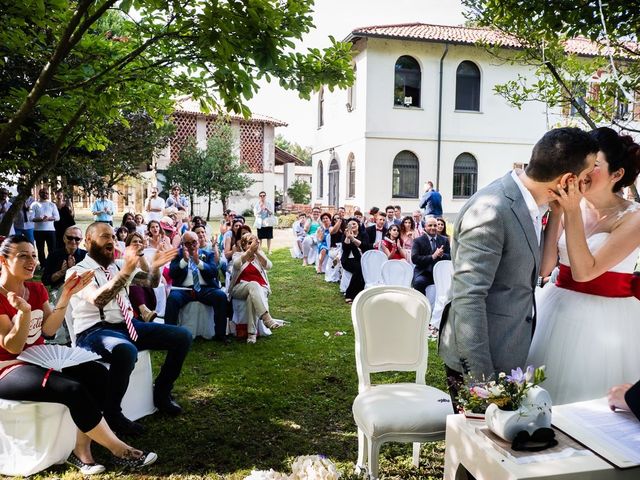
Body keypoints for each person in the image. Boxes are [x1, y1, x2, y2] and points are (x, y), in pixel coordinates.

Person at [439, 128, 599, 401]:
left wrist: (560, 211)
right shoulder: (492, 211)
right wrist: (483, 383)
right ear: (568, 179)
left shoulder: (534, 205)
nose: (587, 186)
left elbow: (541, 270)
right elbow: (468, 299)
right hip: (482, 362)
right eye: (585, 178)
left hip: (508, 350)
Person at [0, 235, 156, 473]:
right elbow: (12, 347)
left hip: (39, 357)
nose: (32, 261)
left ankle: (81, 450)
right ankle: (120, 450)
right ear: (3, 260)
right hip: (8, 368)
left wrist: (66, 295)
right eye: (23, 255)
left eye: (33, 255)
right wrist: (22, 315)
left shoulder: (36, 287)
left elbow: (49, 330)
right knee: (71, 389)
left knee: (98, 375)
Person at [527, 127, 640, 405]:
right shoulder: (571, 204)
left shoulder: (633, 218)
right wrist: (557, 212)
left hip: (608, 318)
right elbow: (545, 268)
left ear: (617, 174)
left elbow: (585, 271)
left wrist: (572, 210)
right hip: (558, 305)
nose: (585, 173)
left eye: (595, 166)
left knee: (590, 399)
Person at [67, 222, 189, 435]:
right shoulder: (77, 272)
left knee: (182, 336)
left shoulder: (117, 265)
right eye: (105, 236)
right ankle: (112, 414)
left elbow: (150, 282)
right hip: (94, 332)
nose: (111, 241)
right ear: (88, 242)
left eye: (113, 237)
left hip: (127, 326)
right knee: (125, 350)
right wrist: (125, 272)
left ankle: (161, 393)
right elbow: (98, 299)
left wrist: (156, 266)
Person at [165, 231, 229, 344]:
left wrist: (198, 262)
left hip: (205, 289)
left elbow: (213, 272)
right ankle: (169, 335)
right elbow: (172, 273)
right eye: (187, 243)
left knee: (220, 296)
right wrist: (184, 261)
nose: (191, 246)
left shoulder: (207, 254)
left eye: (194, 242)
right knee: (172, 299)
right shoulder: (177, 255)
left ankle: (220, 334)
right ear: (183, 244)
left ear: (198, 242)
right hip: (184, 289)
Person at [228, 233, 282, 344]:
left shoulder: (259, 255)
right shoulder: (238, 255)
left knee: (251, 295)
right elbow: (236, 265)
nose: (252, 245)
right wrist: (248, 252)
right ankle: (266, 318)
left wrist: (257, 252)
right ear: (243, 246)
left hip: (260, 288)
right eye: (249, 243)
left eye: (254, 242)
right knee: (253, 284)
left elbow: (269, 266)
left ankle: (251, 334)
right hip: (239, 288)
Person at [411, 217, 450, 297]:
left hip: (441, 273)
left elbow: (450, 257)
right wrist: (433, 256)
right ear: (425, 227)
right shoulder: (418, 241)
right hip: (424, 272)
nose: (433, 227)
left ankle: (444, 308)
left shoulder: (444, 240)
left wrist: (442, 255)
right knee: (418, 283)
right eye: (430, 225)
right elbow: (414, 259)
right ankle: (423, 306)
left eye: (435, 225)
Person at [42, 225, 87, 293]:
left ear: (80, 240)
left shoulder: (86, 256)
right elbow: (45, 280)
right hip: (58, 289)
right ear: (64, 238)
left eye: (77, 239)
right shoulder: (54, 255)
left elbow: (89, 279)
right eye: (70, 238)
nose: (73, 241)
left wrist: (73, 269)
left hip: (80, 290)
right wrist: (61, 272)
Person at [341, 218, 369, 304]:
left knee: (361, 269)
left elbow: (365, 246)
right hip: (348, 260)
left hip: (360, 259)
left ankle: (358, 294)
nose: (352, 226)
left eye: (354, 224)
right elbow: (345, 249)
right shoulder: (345, 234)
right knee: (359, 269)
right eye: (350, 225)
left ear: (358, 225)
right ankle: (350, 294)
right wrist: (348, 237)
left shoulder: (363, 234)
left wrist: (353, 238)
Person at [32, 188, 60, 266]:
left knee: (52, 249)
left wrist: (48, 218)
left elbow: (57, 217)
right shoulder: (35, 204)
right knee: (40, 249)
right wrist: (40, 219)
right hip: (38, 231)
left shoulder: (52, 204)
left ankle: (51, 264)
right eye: (43, 193)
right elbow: (31, 218)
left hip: (50, 230)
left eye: (47, 193)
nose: (45, 194)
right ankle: (43, 265)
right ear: (39, 194)